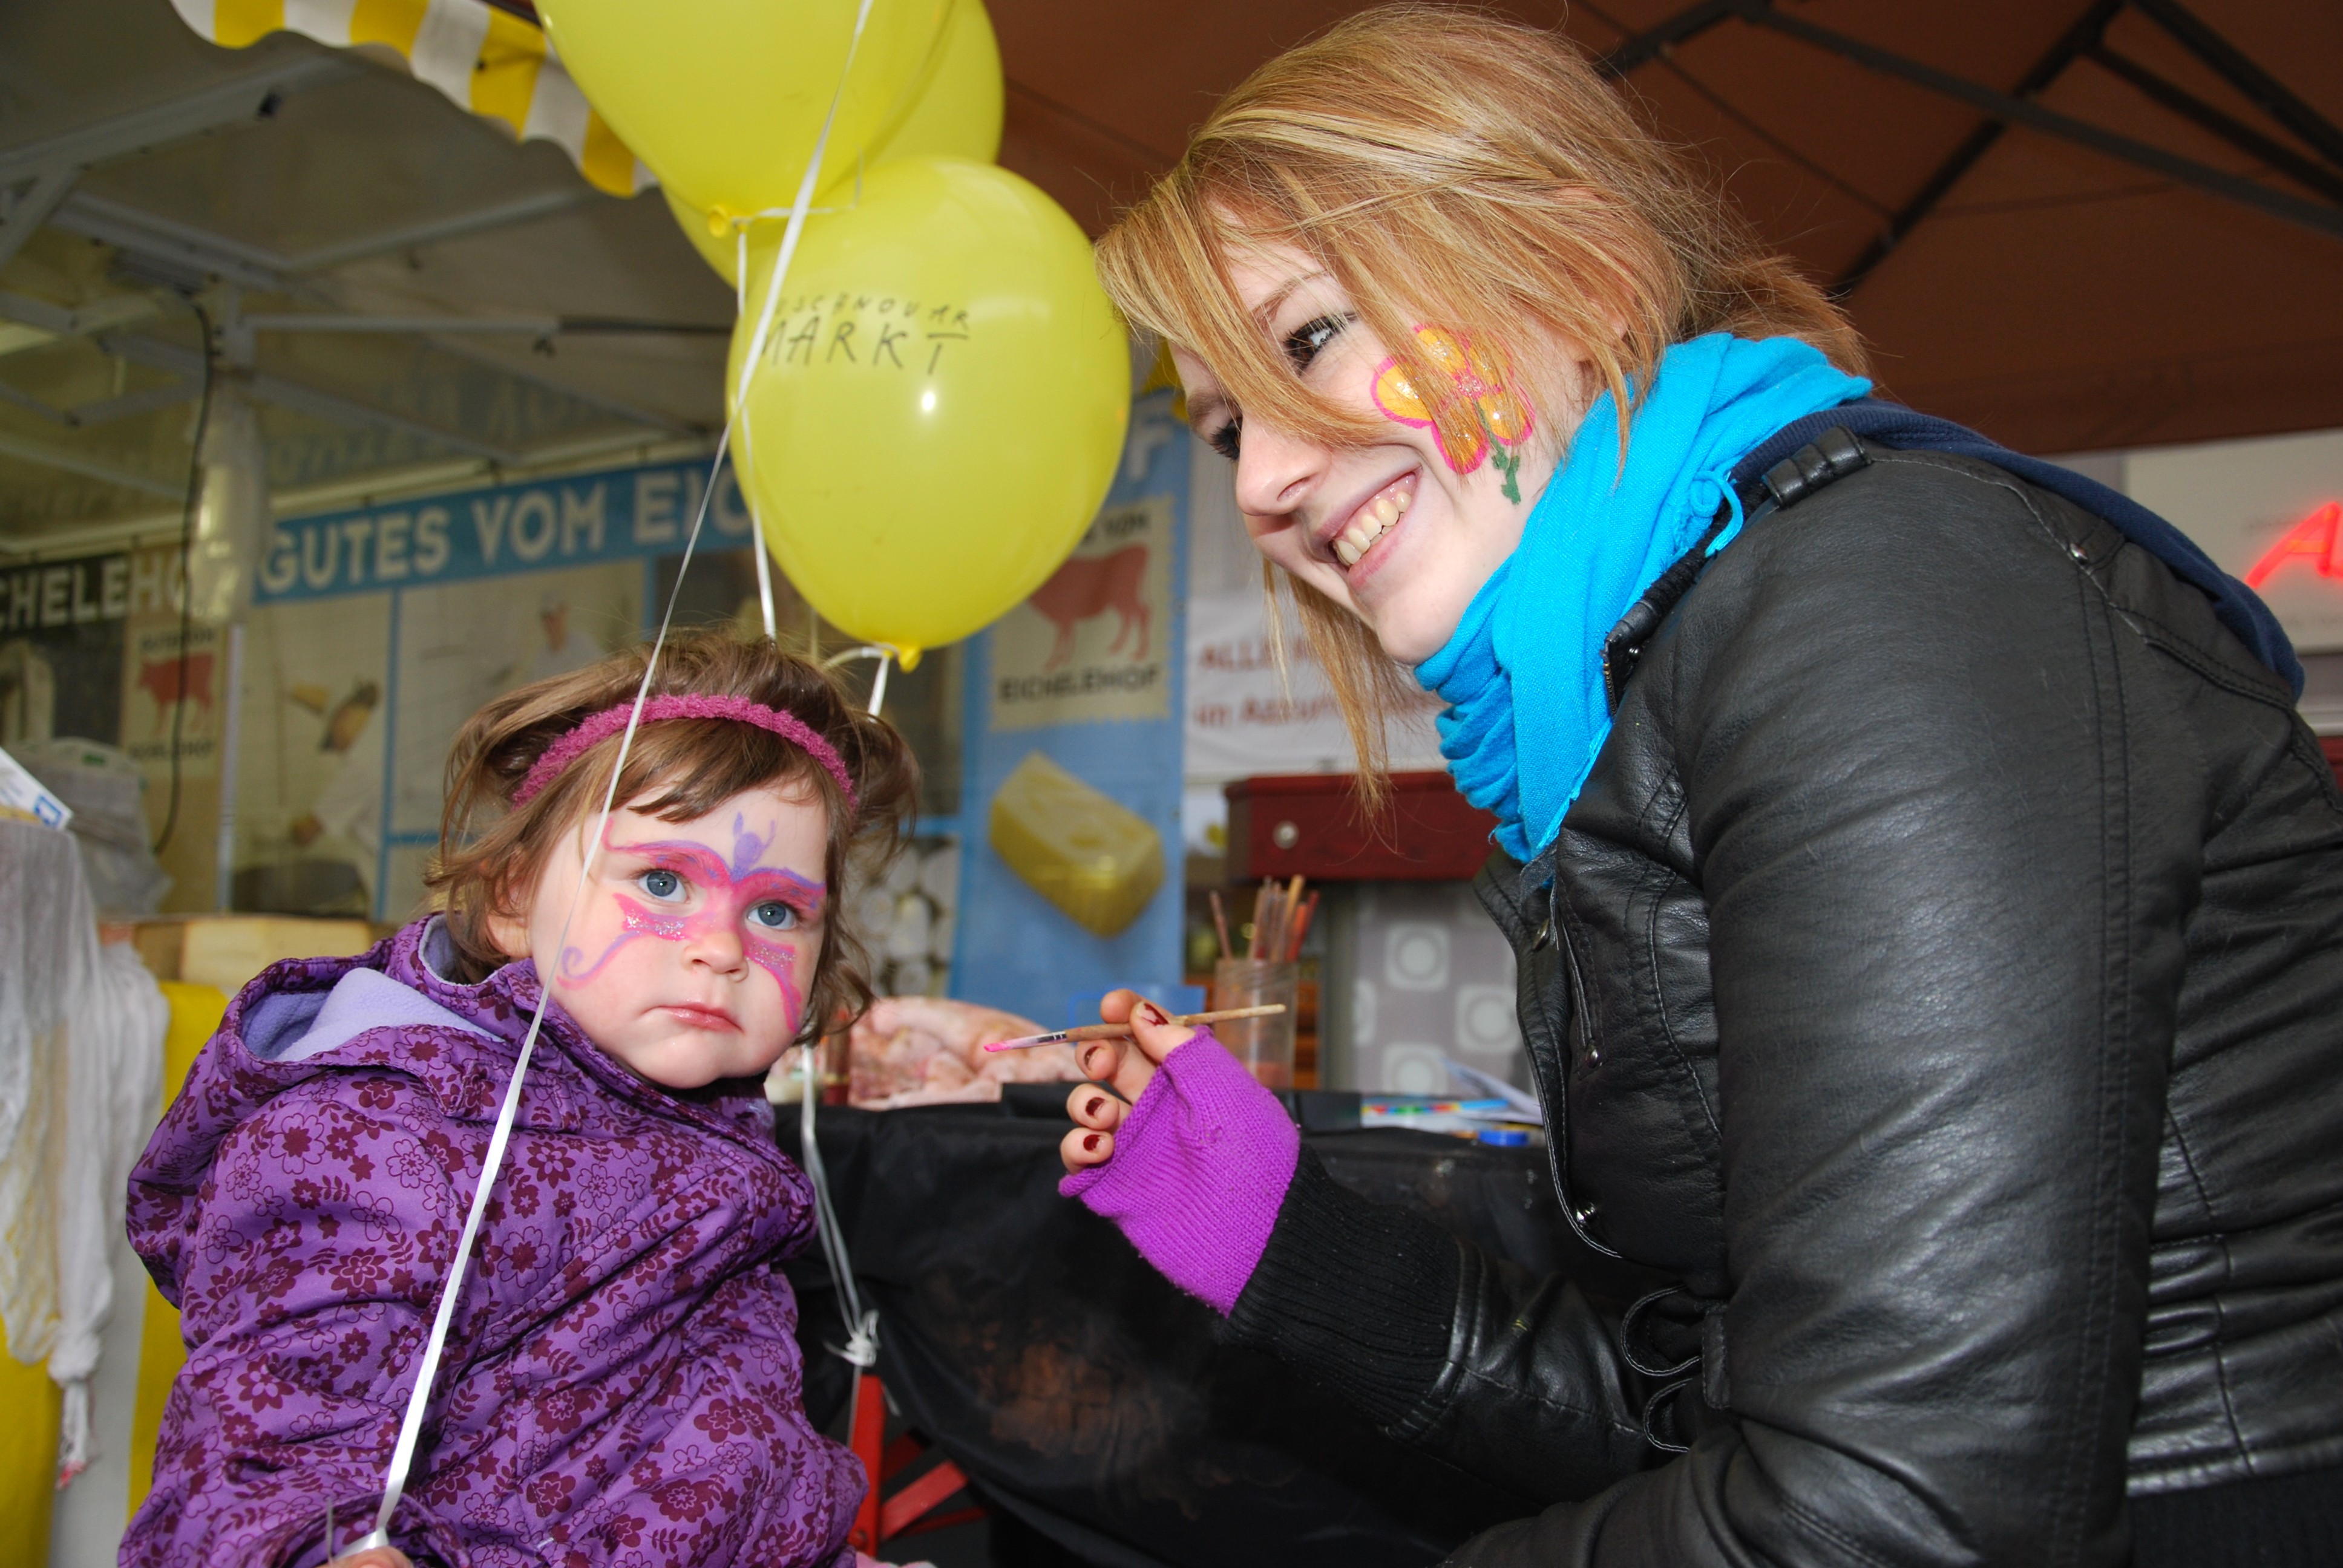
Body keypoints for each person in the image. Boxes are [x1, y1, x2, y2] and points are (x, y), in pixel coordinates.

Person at [1057, 9, 2343, 1567]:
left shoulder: (1877, 601)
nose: (1261, 481)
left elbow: (1901, 1511)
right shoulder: (1633, 697)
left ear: (1575, 269)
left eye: (1311, 340)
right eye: (1221, 429)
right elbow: (1724, 1413)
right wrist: (1285, 1241)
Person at [123, 633, 922, 1567]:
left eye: (776, 911)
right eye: (662, 881)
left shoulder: (716, 1132)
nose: (723, 947)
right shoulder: (377, 1139)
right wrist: (320, 1548)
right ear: (511, 899)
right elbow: (261, 1447)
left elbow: (719, 1449)